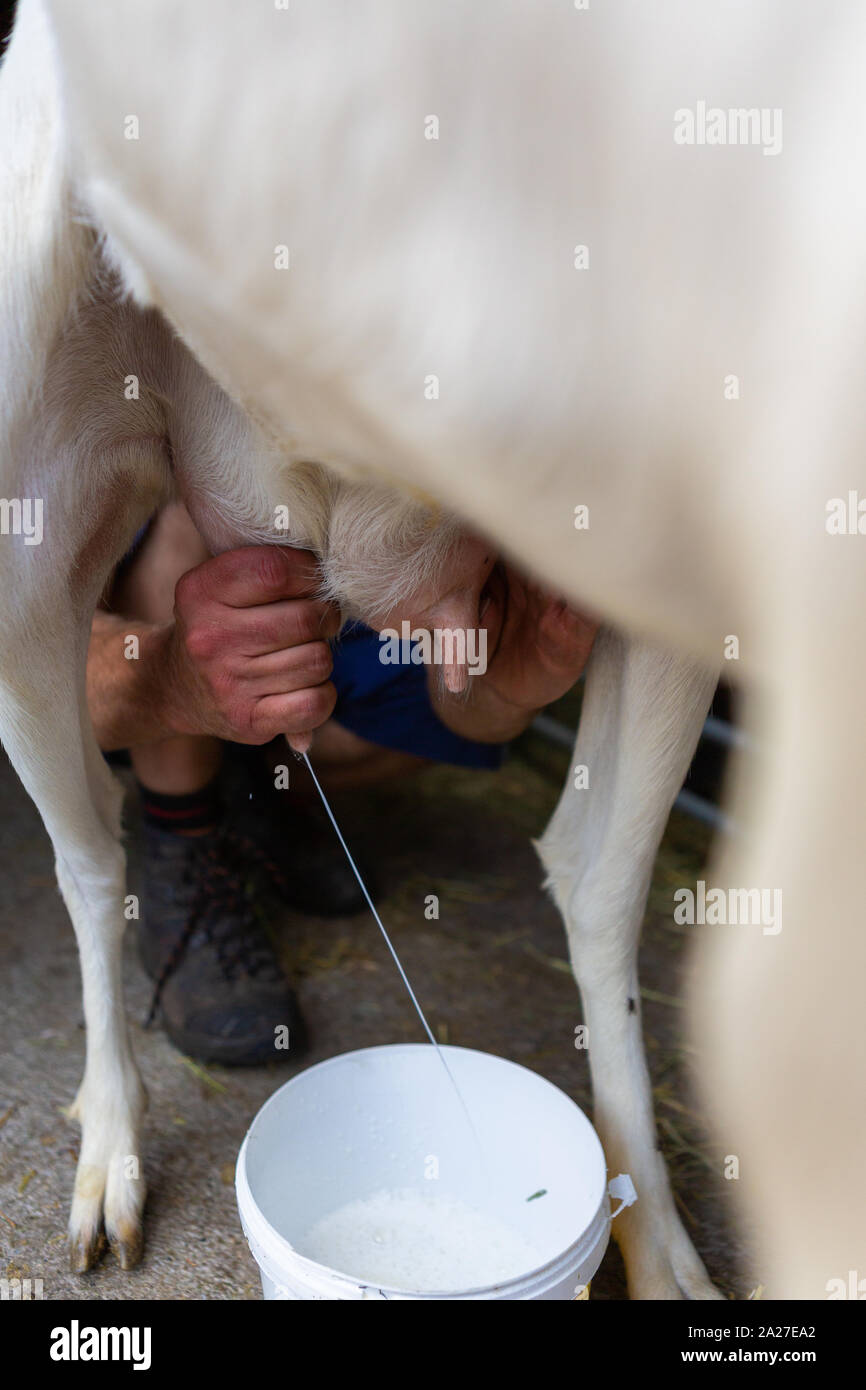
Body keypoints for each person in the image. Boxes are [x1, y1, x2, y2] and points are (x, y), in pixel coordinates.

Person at [87, 502, 598, 1064]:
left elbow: (460, 714)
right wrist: (172, 683)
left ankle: (243, 786)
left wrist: (506, 690)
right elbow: (29, 678)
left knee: (428, 687)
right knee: (197, 516)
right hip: (146, 607)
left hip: (341, 549)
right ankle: (182, 834)